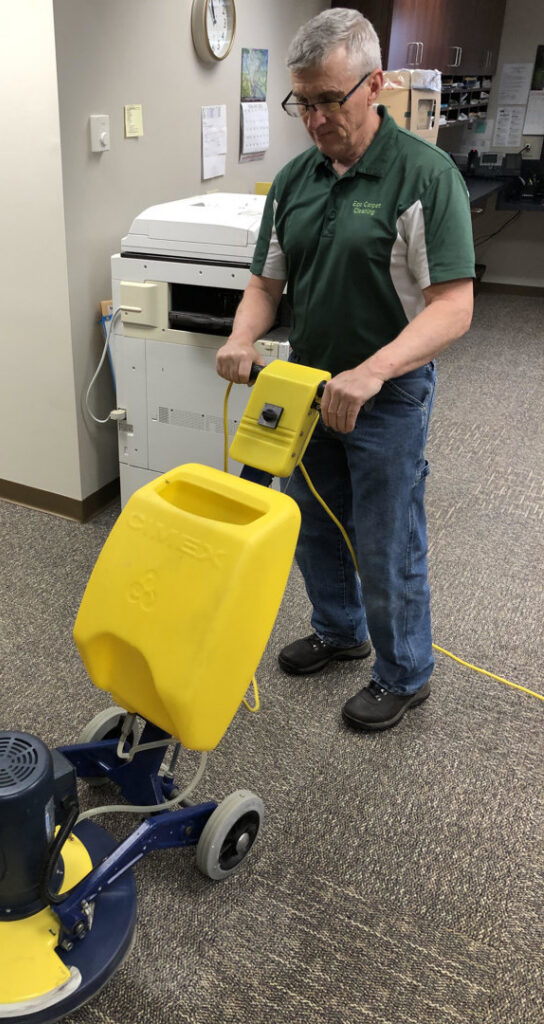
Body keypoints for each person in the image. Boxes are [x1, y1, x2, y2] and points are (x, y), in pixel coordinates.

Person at [216, 8, 475, 731]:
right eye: (304, 101)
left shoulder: (425, 177)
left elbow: (453, 306)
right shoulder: (295, 180)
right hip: (305, 389)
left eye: (332, 98)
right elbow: (266, 286)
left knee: (386, 538)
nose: (318, 118)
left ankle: (404, 673)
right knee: (313, 522)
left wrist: (371, 373)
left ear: (376, 85)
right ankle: (339, 632)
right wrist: (243, 338)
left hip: (388, 394)